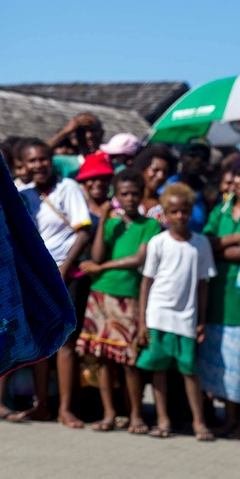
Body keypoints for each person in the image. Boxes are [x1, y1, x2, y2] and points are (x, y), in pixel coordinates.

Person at [13, 139, 92, 426]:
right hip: (36, 277)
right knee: (41, 340)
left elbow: (84, 232)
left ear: (52, 161)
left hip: (66, 275)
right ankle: (42, 404)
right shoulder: (23, 193)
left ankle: (66, 409)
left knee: (66, 341)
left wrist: (63, 268)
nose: (38, 165)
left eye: (43, 159)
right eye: (32, 161)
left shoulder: (67, 188)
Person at [77, 168, 160, 433]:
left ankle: (136, 415)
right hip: (101, 295)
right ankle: (109, 414)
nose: (130, 199)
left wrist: (101, 268)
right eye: (124, 194)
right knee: (103, 359)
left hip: (129, 297)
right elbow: (98, 254)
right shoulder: (112, 224)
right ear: (117, 196)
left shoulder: (150, 225)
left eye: (135, 194)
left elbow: (139, 259)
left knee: (129, 361)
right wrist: (102, 222)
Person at [137, 183, 217, 441]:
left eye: (184, 211)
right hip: (158, 315)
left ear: (191, 211)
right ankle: (162, 419)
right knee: (158, 370)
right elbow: (146, 282)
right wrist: (142, 322)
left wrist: (202, 321)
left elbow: (202, 285)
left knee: (189, 371)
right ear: (165, 214)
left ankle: (198, 422)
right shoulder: (157, 243)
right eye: (174, 211)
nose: (180, 216)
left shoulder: (201, 244)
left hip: (186, 318)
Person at [198, 153, 240, 440]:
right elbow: (206, 243)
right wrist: (237, 238)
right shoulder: (220, 211)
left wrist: (220, 247)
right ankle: (229, 420)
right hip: (217, 300)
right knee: (222, 366)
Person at [167, 138, 213, 230]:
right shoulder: (165, 187)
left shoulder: (210, 195)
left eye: (203, 157)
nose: (198, 160)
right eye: (193, 154)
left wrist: (210, 204)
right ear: (181, 156)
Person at [46, 112, 104, 177]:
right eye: (82, 131)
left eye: (93, 130)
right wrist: (65, 132)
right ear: (75, 138)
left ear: (101, 133)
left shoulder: (110, 162)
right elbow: (38, 156)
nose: (89, 136)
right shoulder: (65, 163)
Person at [136, 144, 175, 222]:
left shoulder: (166, 205)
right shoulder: (124, 199)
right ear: (143, 169)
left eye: (165, 172)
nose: (161, 176)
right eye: (155, 170)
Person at [77, 151, 115, 224]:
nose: (98, 183)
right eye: (92, 179)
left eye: (103, 179)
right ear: (84, 183)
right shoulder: (77, 209)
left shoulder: (119, 209)